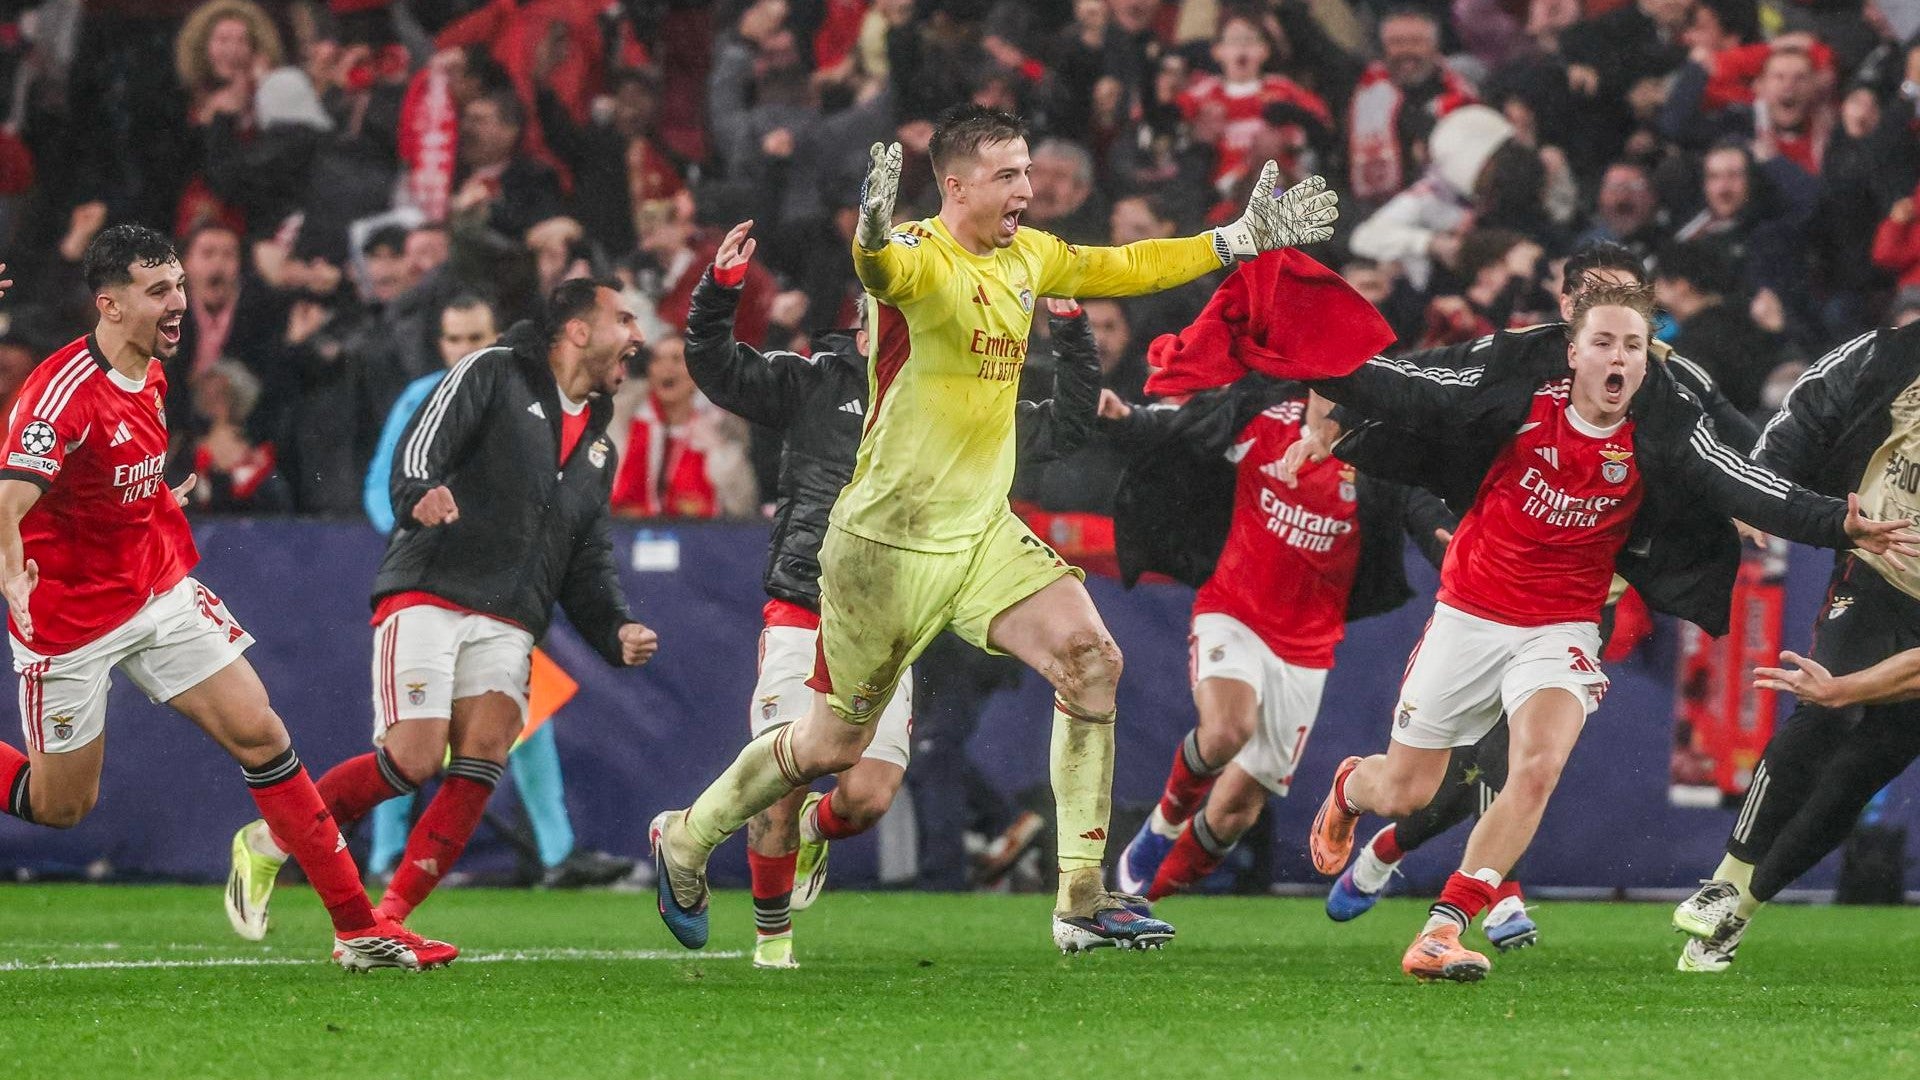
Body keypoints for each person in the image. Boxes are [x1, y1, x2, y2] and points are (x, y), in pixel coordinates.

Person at [648, 102, 1339, 956]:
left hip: (979, 533)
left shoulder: (1028, 256)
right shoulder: (917, 254)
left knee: (1092, 661)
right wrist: (869, 236)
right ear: (957, 186)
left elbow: (1126, 265)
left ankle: (1081, 898)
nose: (1027, 189)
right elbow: (883, 269)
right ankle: (687, 836)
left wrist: (1233, 241)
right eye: (1008, 175)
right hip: (884, 547)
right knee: (831, 744)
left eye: (1027, 172)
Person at [1302, 280, 1917, 983]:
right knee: (1405, 791)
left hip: (1562, 625)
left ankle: (1444, 929)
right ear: (1573, 352)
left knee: (1536, 767)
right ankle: (1352, 789)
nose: (1618, 357)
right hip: (1471, 613)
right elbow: (1406, 391)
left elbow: (1743, 482)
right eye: (1603, 342)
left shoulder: (1664, 426)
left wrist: (1837, 524)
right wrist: (1305, 364)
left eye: (1633, 345)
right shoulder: (1512, 398)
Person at [0, 226, 453, 971]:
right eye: (158, 291)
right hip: (69, 620)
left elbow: (104, 483)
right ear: (110, 305)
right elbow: (11, 501)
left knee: (262, 734)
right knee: (62, 806)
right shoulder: (62, 396)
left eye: (179, 284)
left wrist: (153, 501)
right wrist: (13, 573)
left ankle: (359, 930)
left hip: (154, 589)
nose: (179, 302)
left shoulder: (151, 372)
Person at [1309, 243, 1760, 952]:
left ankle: (1453, 915)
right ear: (1569, 309)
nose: (1616, 329)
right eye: (1597, 306)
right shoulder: (1516, 362)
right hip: (1483, 588)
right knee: (1421, 784)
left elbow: (1739, 445)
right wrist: (1334, 401)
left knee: (1523, 765)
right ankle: (1373, 819)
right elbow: (1423, 396)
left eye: (1630, 313)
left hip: (1579, 606)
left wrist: (1762, 501)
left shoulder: (1671, 385)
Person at [684, 218, 1100, 968]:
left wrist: (1069, 327)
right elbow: (716, 368)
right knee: (785, 780)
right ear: (866, 327)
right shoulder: (816, 382)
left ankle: (804, 834)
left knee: (867, 798)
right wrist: (718, 292)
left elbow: (1068, 428)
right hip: (805, 606)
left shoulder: (961, 401)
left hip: (891, 620)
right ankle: (772, 943)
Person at [225, 277, 661, 937]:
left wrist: (614, 626)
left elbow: (587, 556)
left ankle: (387, 922)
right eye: (624, 320)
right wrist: (418, 491)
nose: (638, 336)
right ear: (578, 330)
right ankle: (270, 841)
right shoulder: (492, 370)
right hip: (432, 589)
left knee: (485, 756)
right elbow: (417, 449)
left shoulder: (599, 446)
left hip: (511, 615)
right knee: (413, 758)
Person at [1106, 382, 1451, 905]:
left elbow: (1423, 505)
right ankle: (1162, 825)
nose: (1337, 392)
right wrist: (1127, 418)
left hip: (1307, 645)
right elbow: (1186, 427)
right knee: (1227, 729)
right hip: (1234, 611)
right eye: (1329, 377)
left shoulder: (1378, 456)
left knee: (1235, 812)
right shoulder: (1262, 416)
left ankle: (1139, 904)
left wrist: (1448, 545)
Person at [359, 294, 635, 890]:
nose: (467, 348)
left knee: (524, 717)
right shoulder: (431, 393)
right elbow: (386, 483)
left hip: (504, 590)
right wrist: (420, 526)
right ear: (441, 344)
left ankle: (556, 853)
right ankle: (384, 853)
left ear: (498, 334)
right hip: (435, 582)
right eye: (456, 338)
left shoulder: (526, 393)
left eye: (476, 336)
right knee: (412, 737)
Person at [1673, 319, 1920, 972]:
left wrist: (1846, 689)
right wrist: (1762, 486)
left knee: (1861, 773)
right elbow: (1812, 403)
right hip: (1877, 570)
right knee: (1824, 716)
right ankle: (1726, 881)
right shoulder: (1895, 352)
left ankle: (1739, 912)